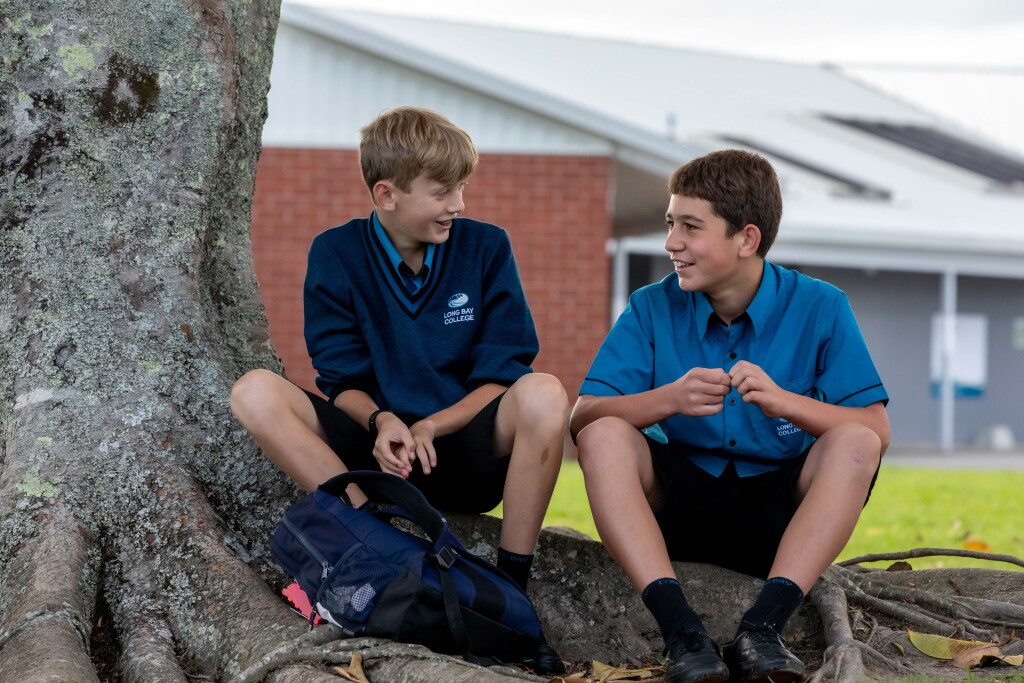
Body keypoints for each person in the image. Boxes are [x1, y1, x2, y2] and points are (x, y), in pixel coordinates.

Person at [231, 106, 566, 674]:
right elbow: (340, 378)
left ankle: (511, 596)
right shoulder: (335, 253)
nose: (458, 204)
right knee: (253, 392)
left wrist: (433, 424)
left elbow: (503, 370)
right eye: (442, 192)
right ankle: (378, 548)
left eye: (461, 188)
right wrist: (382, 421)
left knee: (546, 392)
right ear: (386, 194)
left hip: (463, 449)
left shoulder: (486, 246)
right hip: (376, 458)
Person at [570, 150, 889, 683]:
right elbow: (583, 417)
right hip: (678, 506)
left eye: (690, 227)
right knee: (604, 436)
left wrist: (783, 401)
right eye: (670, 223)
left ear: (746, 239)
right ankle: (683, 635)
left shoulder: (821, 306)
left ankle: (763, 629)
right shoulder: (650, 305)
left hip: (777, 516)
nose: (671, 242)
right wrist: (669, 399)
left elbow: (876, 431)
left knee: (855, 441)